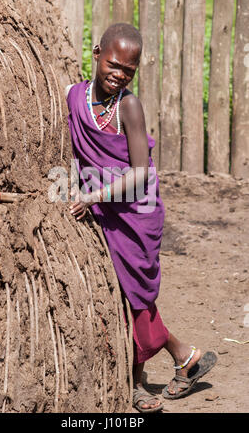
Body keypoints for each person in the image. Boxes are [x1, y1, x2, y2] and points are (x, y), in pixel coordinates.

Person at [65, 23, 216, 413]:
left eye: (128, 71)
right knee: (125, 295)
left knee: (133, 295)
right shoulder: (73, 96)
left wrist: (94, 195)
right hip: (101, 202)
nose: (119, 75)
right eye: (113, 65)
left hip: (135, 210)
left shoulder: (128, 106)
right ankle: (185, 357)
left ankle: (137, 384)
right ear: (96, 54)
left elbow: (138, 172)